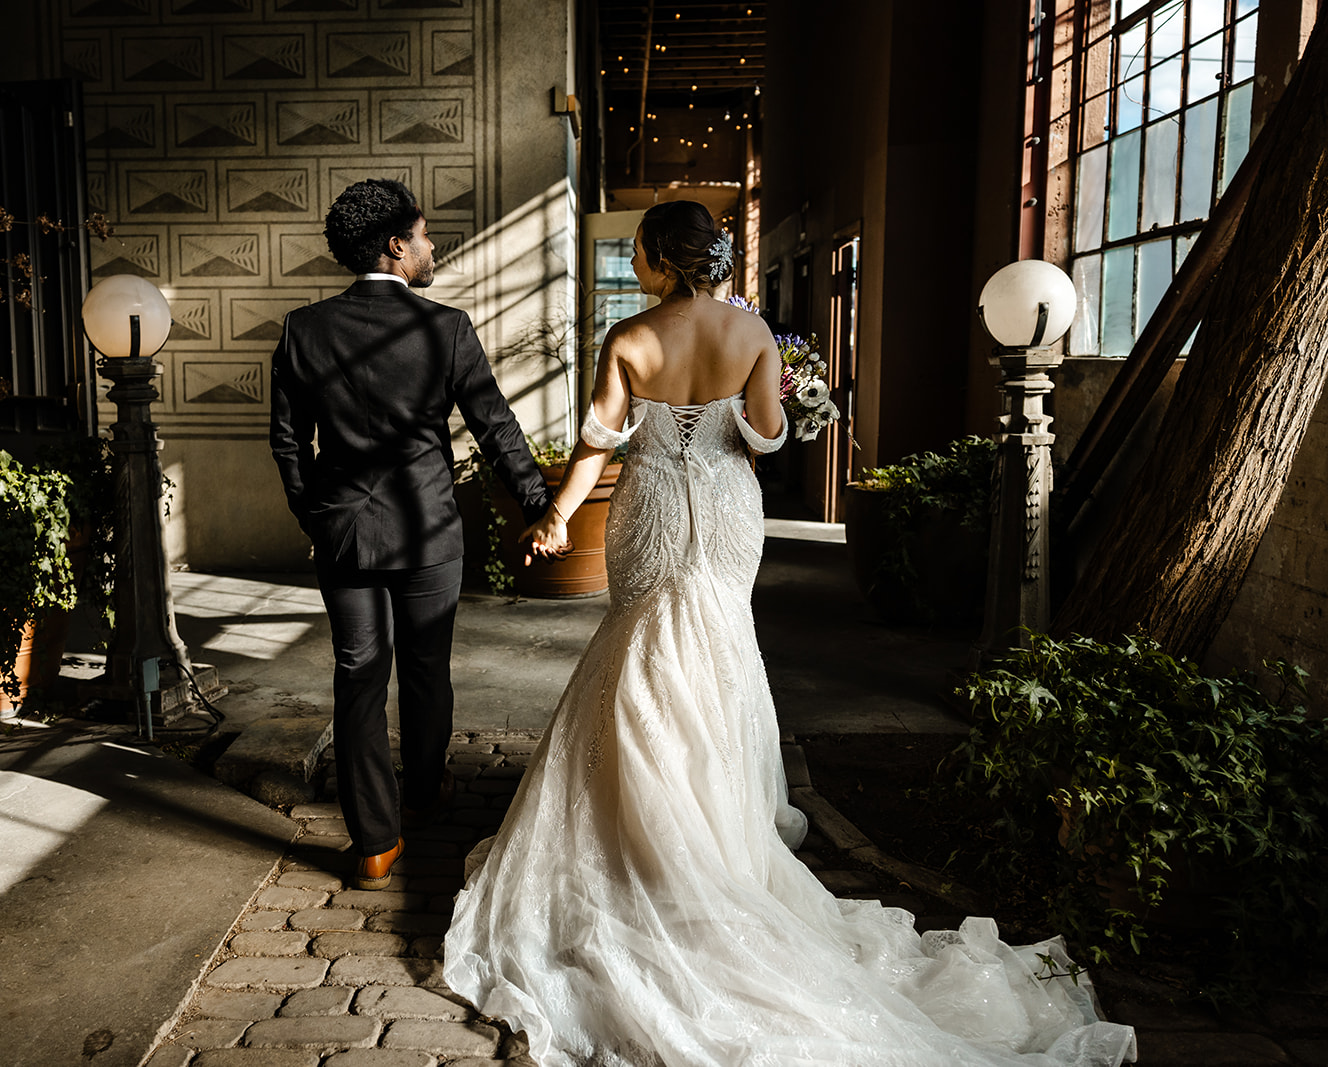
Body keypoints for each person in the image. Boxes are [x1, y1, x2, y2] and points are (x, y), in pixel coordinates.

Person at [442, 200, 1137, 1067]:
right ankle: (712, 841)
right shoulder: (752, 333)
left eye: (641, 251)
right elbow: (767, 438)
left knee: (642, 650)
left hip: (651, 506)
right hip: (729, 511)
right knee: (717, 650)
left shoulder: (628, 336)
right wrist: (778, 403)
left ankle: (646, 836)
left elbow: (600, 445)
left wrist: (555, 517)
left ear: (658, 256)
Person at [270, 179, 549, 891]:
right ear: (396, 245)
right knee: (426, 668)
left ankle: (372, 843)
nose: (432, 247)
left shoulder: (305, 328)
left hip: (346, 536)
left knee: (358, 676)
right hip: (428, 531)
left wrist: (317, 513)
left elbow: (287, 443)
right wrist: (539, 506)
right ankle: (425, 788)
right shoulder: (445, 327)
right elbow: (496, 428)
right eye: (424, 236)